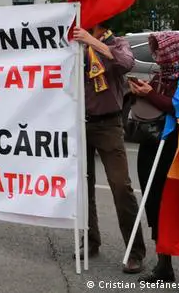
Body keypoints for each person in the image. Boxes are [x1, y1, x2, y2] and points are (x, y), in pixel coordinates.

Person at [129, 33, 179, 289]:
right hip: (152, 148)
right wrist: (139, 91)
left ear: (176, 52)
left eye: (161, 51)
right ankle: (164, 266)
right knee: (155, 205)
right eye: (155, 51)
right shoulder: (161, 75)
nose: (158, 57)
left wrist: (150, 95)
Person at [73, 20, 145, 273]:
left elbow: (126, 64)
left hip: (108, 125)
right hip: (79, 124)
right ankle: (90, 241)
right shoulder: (73, 45)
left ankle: (135, 251)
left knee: (120, 187)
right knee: (84, 187)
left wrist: (92, 42)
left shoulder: (117, 43)